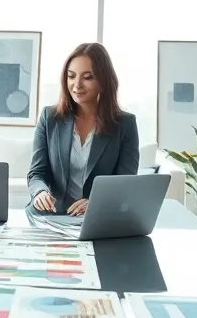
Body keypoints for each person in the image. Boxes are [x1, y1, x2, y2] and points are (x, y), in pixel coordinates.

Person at [27, 42, 140, 216]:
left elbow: (125, 183)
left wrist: (96, 203)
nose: (77, 85)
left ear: (103, 81)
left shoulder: (125, 124)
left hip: (99, 217)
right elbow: (36, 173)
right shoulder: (49, 118)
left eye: (88, 77)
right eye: (71, 76)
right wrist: (40, 192)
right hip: (51, 216)